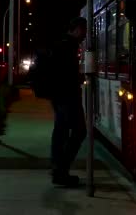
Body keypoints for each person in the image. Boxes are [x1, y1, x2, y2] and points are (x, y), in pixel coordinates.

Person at [45, 17, 88, 186]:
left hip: (58, 96)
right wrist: (80, 78)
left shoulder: (60, 44)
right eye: (83, 31)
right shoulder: (68, 46)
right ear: (77, 29)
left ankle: (58, 168)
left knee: (61, 131)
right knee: (79, 131)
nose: (84, 35)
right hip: (67, 96)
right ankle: (61, 170)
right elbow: (66, 74)